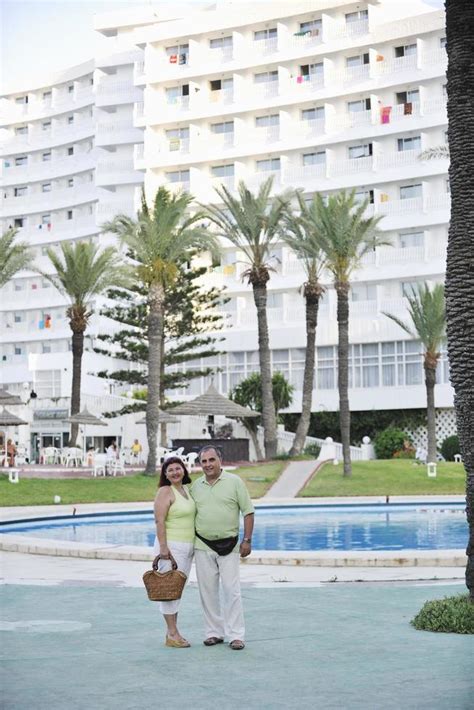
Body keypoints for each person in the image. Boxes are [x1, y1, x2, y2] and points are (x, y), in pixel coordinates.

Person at [191, 445, 254, 651]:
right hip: (202, 544)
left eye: (211, 460)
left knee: (231, 590)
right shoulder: (196, 486)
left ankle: (236, 635)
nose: (208, 465)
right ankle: (214, 633)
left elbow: (248, 512)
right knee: (207, 592)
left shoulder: (234, 482)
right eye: (204, 461)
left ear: (220, 460)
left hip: (231, 544)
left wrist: (247, 540)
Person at [153, 456, 196, 648]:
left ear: (184, 470)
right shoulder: (165, 491)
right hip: (171, 547)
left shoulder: (186, 490)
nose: (175, 472)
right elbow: (159, 521)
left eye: (178, 468)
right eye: (170, 470)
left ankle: (173, 632)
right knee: (168, 590)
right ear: (165, 474)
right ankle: (172, 633)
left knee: (176, 590)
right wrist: (163, 549)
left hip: (187, 547)